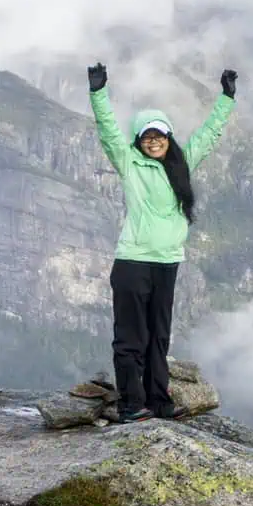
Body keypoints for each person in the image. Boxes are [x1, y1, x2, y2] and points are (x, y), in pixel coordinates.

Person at [86, 61, 238, 423]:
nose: (153, 142)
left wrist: (227, 99)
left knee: (158, 338)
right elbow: (107, 130)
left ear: (168, 138)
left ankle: (158, 402)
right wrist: (98, 92)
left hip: (167, 262)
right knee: (130, 339)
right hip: (133, 262)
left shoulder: (182, 164)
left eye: (159, 136)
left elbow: (210, 133)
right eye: (146, 137)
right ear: (138, 141)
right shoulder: (130, 163)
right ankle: (130, 405)